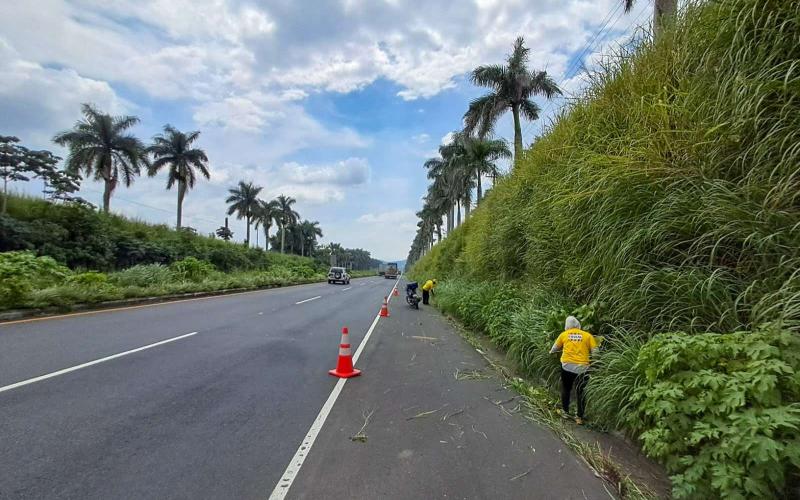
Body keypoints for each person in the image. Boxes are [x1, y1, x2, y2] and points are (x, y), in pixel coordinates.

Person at [549, 316, 598, 425]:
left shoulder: (563, 335)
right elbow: (595, 352)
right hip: (583, 368)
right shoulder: (588, 336)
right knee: (581, 392)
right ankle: (579, 417)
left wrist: (551, 352)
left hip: (567, 367)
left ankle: (565, 412)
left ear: (567, 326)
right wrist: (594, 363)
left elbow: (554, 349)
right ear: (578, 325)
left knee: (566, 389)